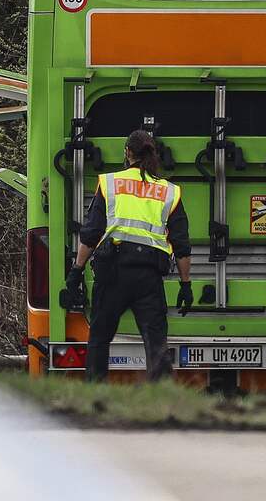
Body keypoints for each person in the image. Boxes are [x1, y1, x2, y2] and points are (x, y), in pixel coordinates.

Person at [61, 130, 192, 382]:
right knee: (156, 343)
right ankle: (162, 399)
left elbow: (91, 234)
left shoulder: (110, 183)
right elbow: (181, 245)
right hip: (148, 277)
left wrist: (76, 271)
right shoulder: (168, 192)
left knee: (99, 337)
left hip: (113, 273)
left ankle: (96, 392)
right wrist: (185, 285)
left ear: (128, 153)